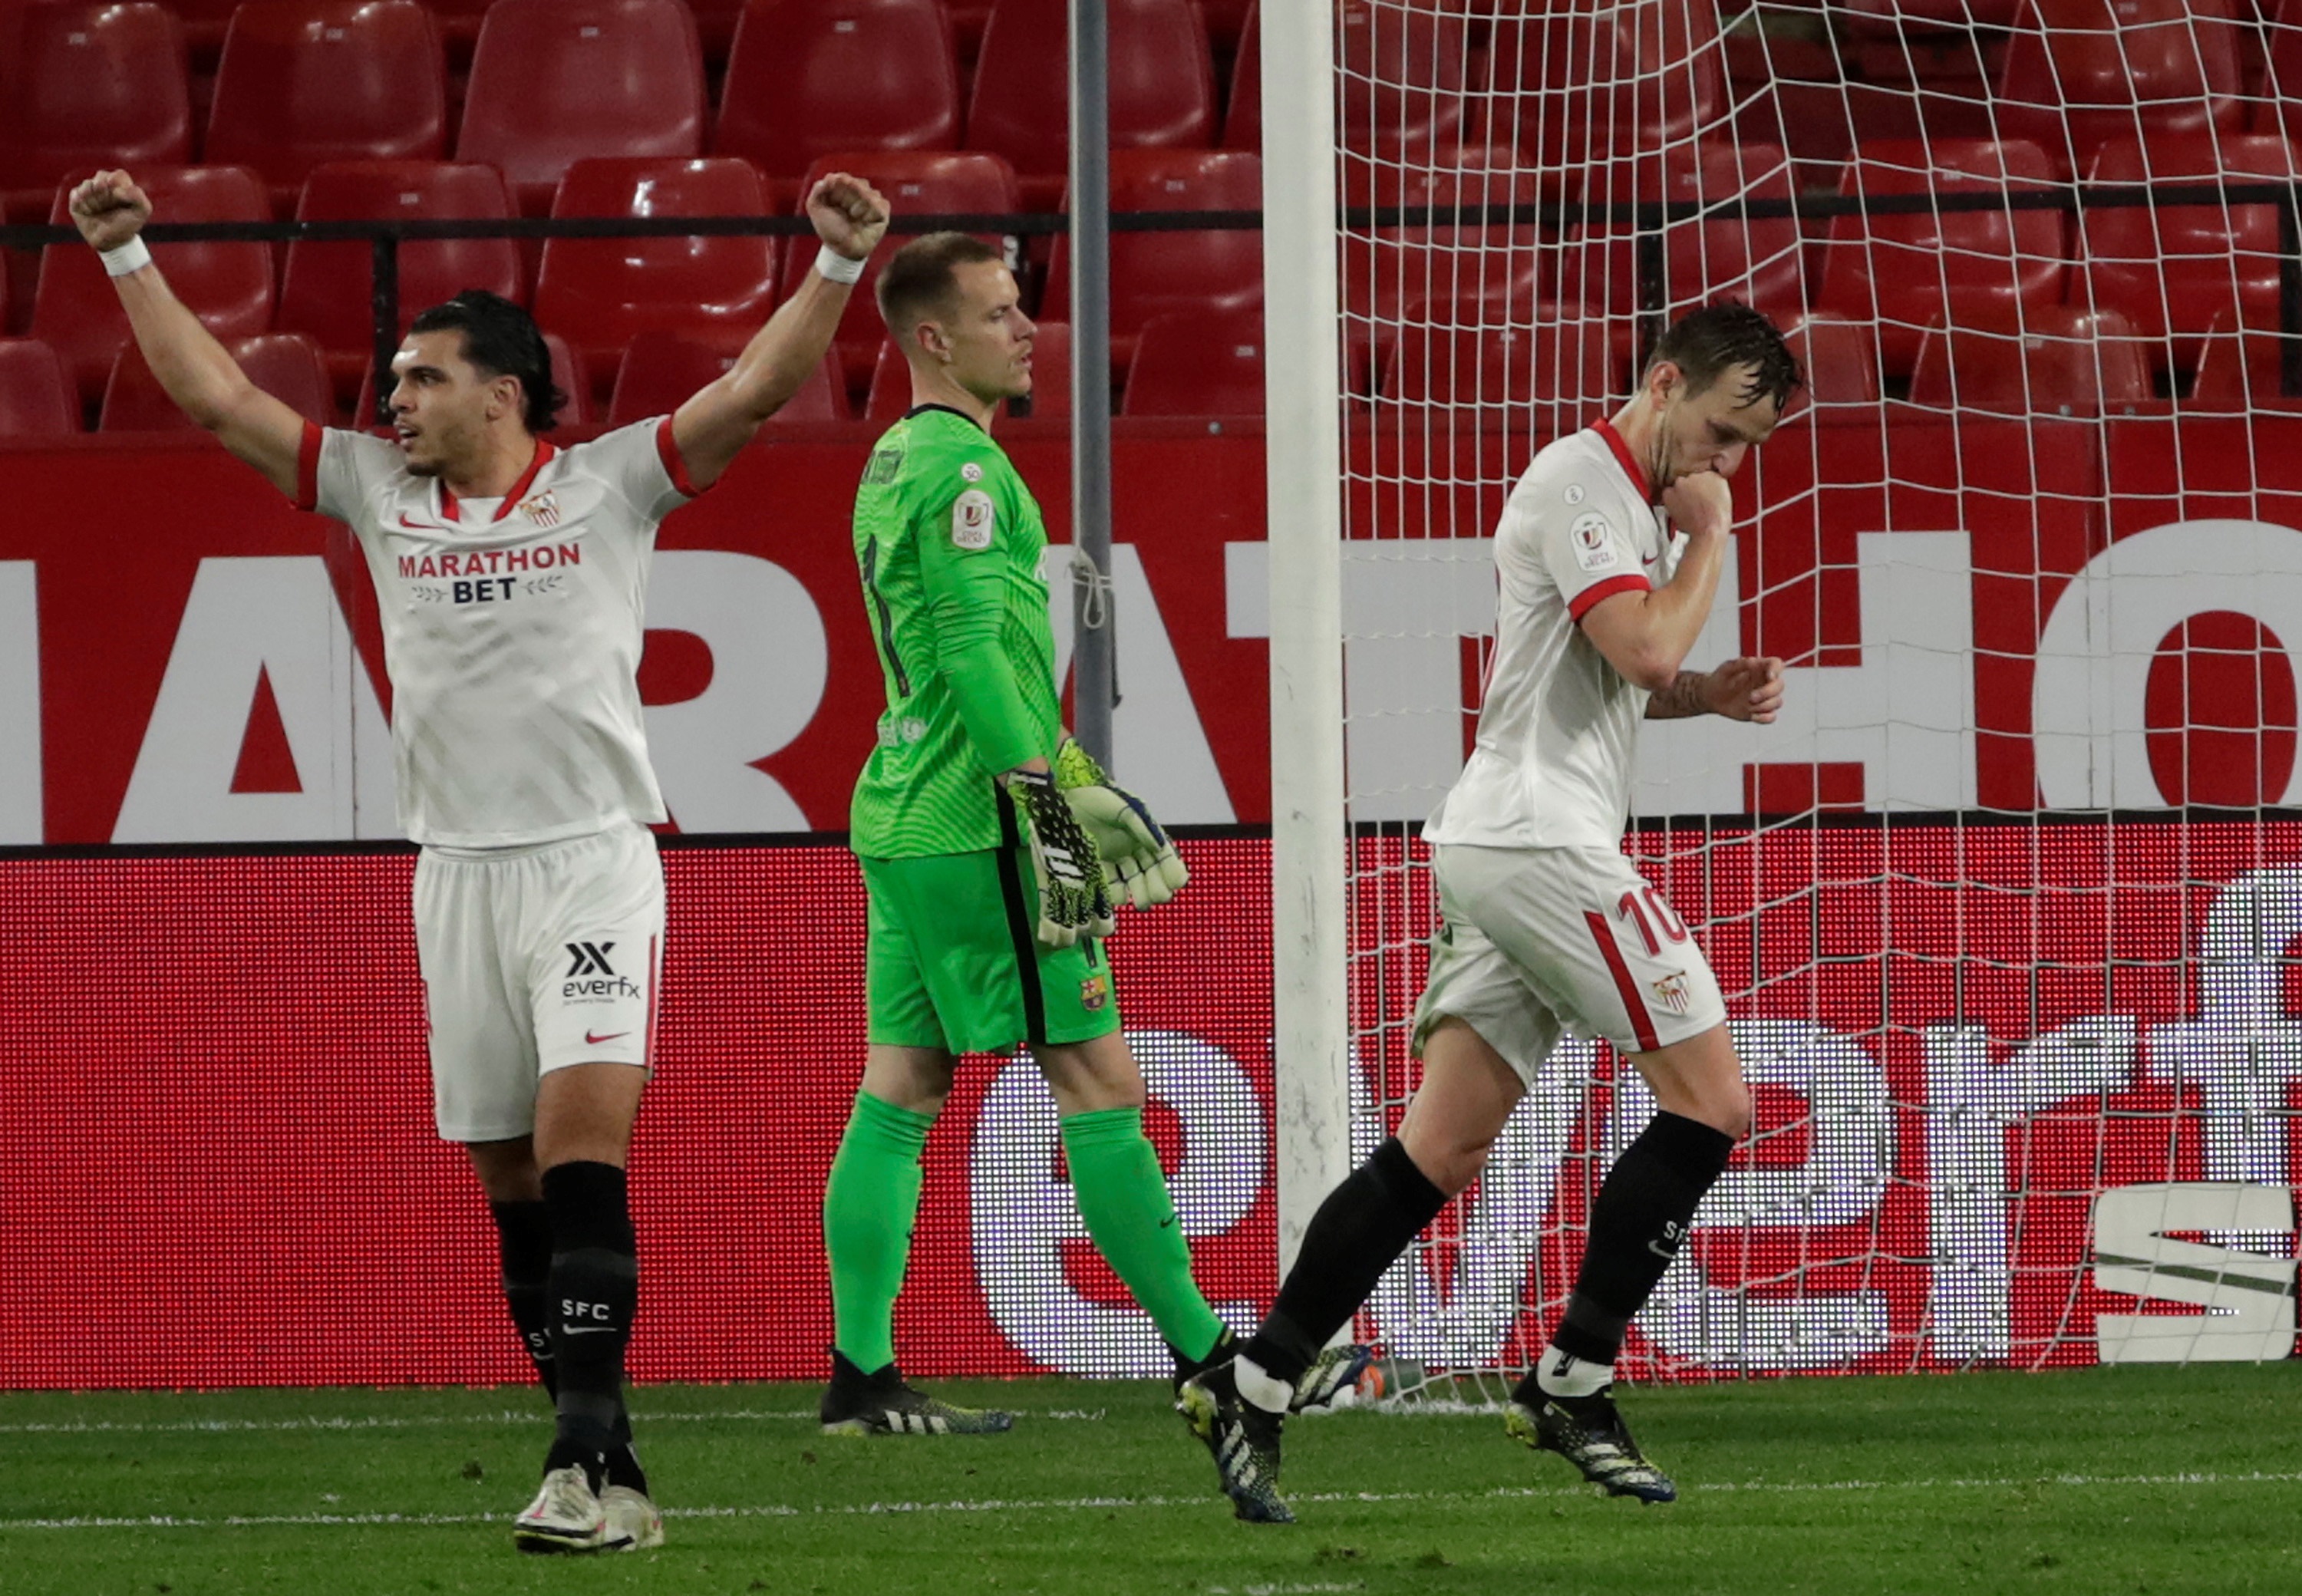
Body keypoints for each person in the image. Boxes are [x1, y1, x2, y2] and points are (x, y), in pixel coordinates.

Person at [68, 166, 891, 1554]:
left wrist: (831, 268)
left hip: (590, 866)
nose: (392, 402)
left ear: (502, 390)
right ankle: (616, 1468)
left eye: (421, 378)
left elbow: (750, 395)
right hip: (453, 873)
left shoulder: (611, 486)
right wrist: (128, 254)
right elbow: (216, 401)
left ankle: (573, 1461)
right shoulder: (376, 492)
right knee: (511, 1188)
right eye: (392, 382)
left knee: (581, 1152)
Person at [1182, 302, 1802, 1522]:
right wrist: (1714, 542)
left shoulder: (1619, 502)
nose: (1732, 466)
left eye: (1748, 451)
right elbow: (1633, 648)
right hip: (1540, 847)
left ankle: (1254, 1380)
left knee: (1441, 1148)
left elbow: (1588, 689)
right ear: (1666, 383)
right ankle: (1572, 1379)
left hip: (1507, 833)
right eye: (1727, 435)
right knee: (1714, 1103)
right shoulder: (1584, 484)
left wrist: (1706, 700)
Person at [820, 232, 1361, 1489]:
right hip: (978, 818)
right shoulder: (961, 468)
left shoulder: (892, 458)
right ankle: (1211, 1360)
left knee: (900, 1083)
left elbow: (969, 667)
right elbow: (970, 657)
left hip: (901, 812)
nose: (1030, 331)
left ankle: (861, 1373)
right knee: (1100, 1078)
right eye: (1003, 314)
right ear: (934, 339)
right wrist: (1064, 791)